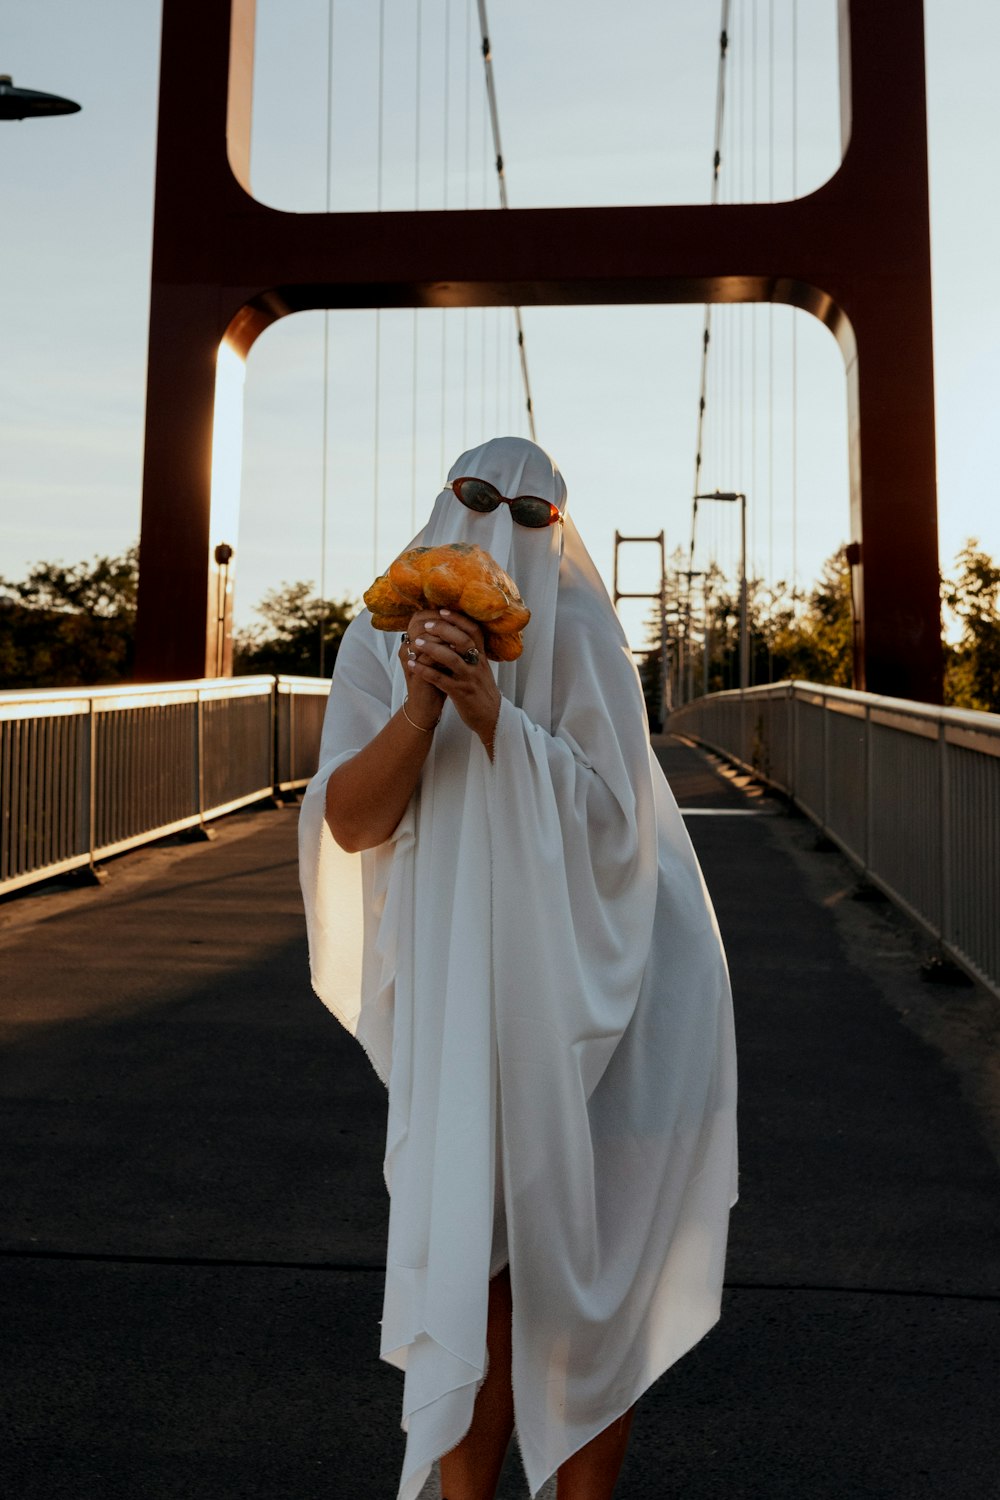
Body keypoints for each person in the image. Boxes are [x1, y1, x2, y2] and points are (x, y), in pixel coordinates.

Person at [298, 436, 737, 1500]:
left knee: (597, 1289)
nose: (505, 527)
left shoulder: (583, 627)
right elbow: (349, 823)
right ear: (443, 502)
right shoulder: (379, 636)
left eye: (536, 512)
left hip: (631, 995)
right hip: (472, 1011)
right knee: (476, 1268)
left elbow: (620, 830)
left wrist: (498, 716)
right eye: (481, 499)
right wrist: (421, 710)